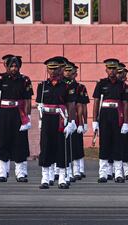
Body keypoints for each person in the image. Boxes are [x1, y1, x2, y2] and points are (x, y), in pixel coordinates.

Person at [0, 55, 33, 183]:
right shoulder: (0, 78)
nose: (14, 68)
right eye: (11, 66)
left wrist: (28, 118)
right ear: (7, 66)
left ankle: (21, 173)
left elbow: (28, 100)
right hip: (4, 114)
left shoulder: (25, 80)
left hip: (19, 114)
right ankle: (2, 173)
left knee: (20, 143)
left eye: (16, 66)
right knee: (3, 142)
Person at [37, 57, 77, 189]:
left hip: (61, 119)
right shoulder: (42, 86)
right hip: (47, 118)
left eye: (55, 69)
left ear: (60, 69)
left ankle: (62, 177)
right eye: (50, 69)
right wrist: (40, 120)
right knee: (46, 146)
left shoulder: (67, 86)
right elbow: (39, 104)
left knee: (61, 147)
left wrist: (71, 122)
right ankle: (45, 177)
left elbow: (71, 105)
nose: (52, 71)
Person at [92, 59, 128, 183]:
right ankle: (103, 173)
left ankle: (118, 173)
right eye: (110, 68)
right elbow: (96, 102)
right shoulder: (101, 84)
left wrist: (125, 122)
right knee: (104, 143)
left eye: (114, 68)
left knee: (117, 144)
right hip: (105, 115)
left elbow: (125, 104)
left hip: (117, 115)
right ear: (106, 70)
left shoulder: (122, 85)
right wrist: (95, 120)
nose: (112, 71)